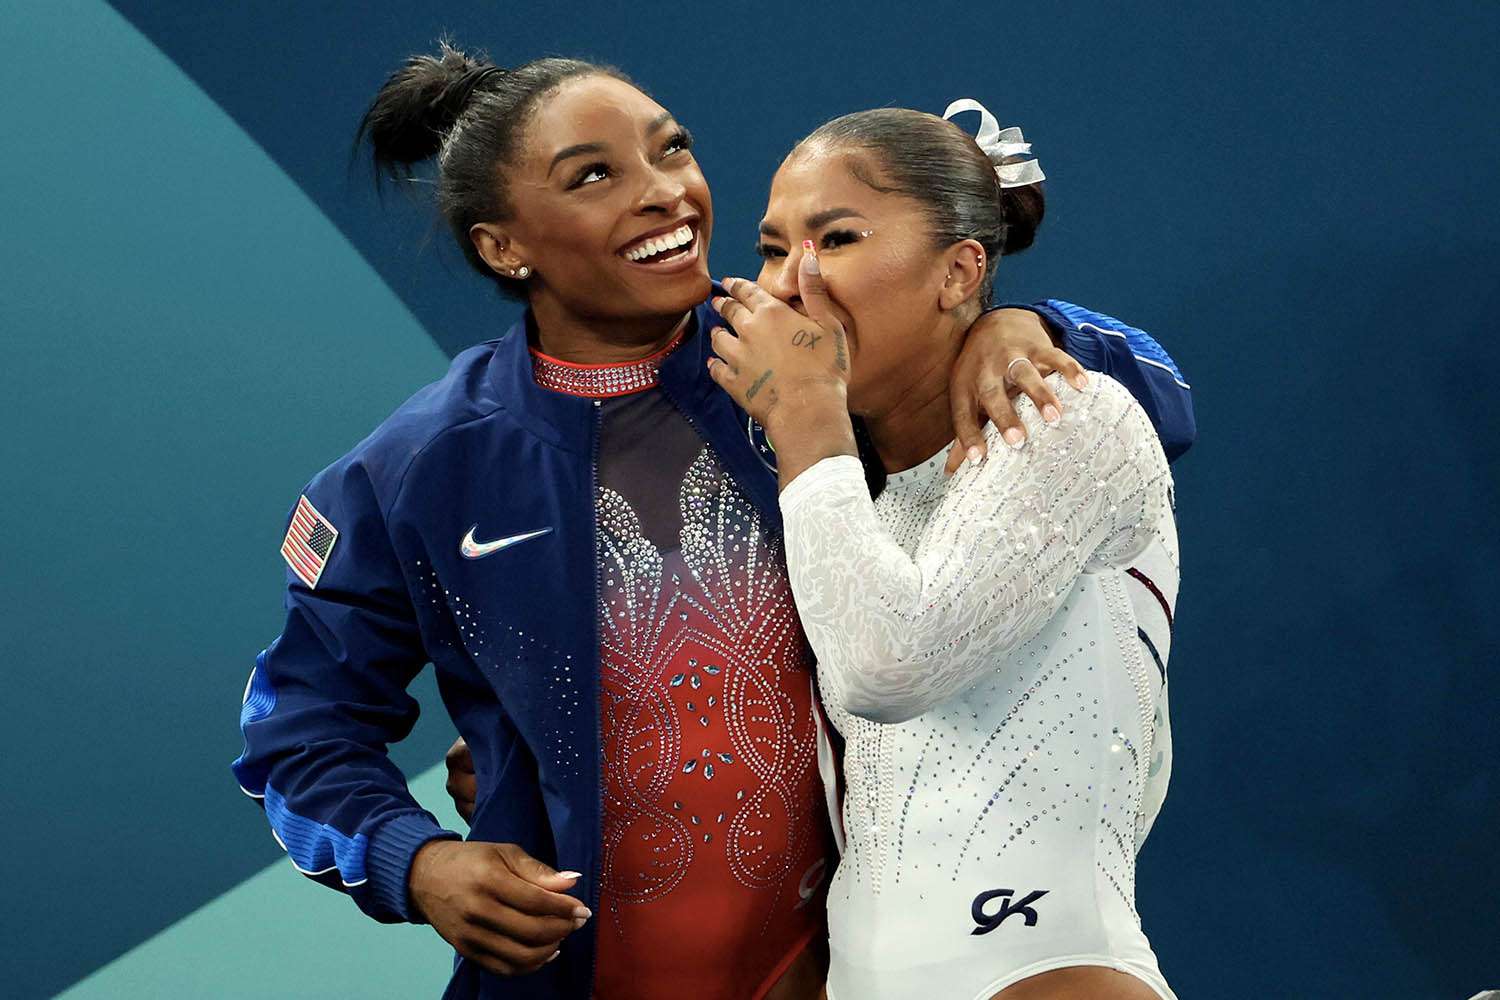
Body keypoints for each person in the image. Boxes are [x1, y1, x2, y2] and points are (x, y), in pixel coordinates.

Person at [232, 40, 1193, 1000]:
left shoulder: (809, 367)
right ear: (503, 245)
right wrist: (416, 862)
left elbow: (1144, 410)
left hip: (842, 974)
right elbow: (298, 737)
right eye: (595, 175)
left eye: (672, 148)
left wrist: (1023, 327)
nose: (665, 192)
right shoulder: (418, 472)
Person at [704, 103, 1181, 999]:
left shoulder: (1063, 416)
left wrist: (806, 411)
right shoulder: (837, 483)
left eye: (837, 237)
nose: (793, 283)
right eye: (773, 250)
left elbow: (888, 668)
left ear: (961, 268)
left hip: (1046, 972)